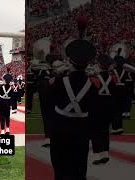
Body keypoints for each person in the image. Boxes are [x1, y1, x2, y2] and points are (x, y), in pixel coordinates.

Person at [48, 16, 97, 180]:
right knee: (79, 170)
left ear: (69, 60)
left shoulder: (59, 81)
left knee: (61, 169)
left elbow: (49, 103)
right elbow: (94, 113)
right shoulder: (93, 85)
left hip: (60, 131)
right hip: (81, 133)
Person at [89, 54, 117, 165]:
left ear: (100, 65)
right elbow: (115, 95)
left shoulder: (93, 79)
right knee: (105, 132)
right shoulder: (114, 78)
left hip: (96, 108)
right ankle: (105, 153)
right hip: (108, 108)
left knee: (95, 132)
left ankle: (97, 154)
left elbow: (90, 95)